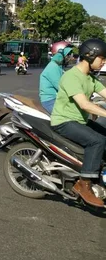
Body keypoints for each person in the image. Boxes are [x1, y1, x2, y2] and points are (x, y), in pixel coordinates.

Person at [51, 38, 106, 208]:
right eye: (102, 58)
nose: (104, 62)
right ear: (90, 56)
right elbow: (84, 104)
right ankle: (84, 183)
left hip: (79, 120)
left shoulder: (89, 78)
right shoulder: (71, 76)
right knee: (97, 141)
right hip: (64, 121)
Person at [39, 41, 73, 113]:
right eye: (68, 54)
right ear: (60, 54)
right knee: (68, 117)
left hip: (57, 99)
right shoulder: (53, 67)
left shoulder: (59, 67)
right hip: (50, 101)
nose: (69, 57)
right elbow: (61, 86)